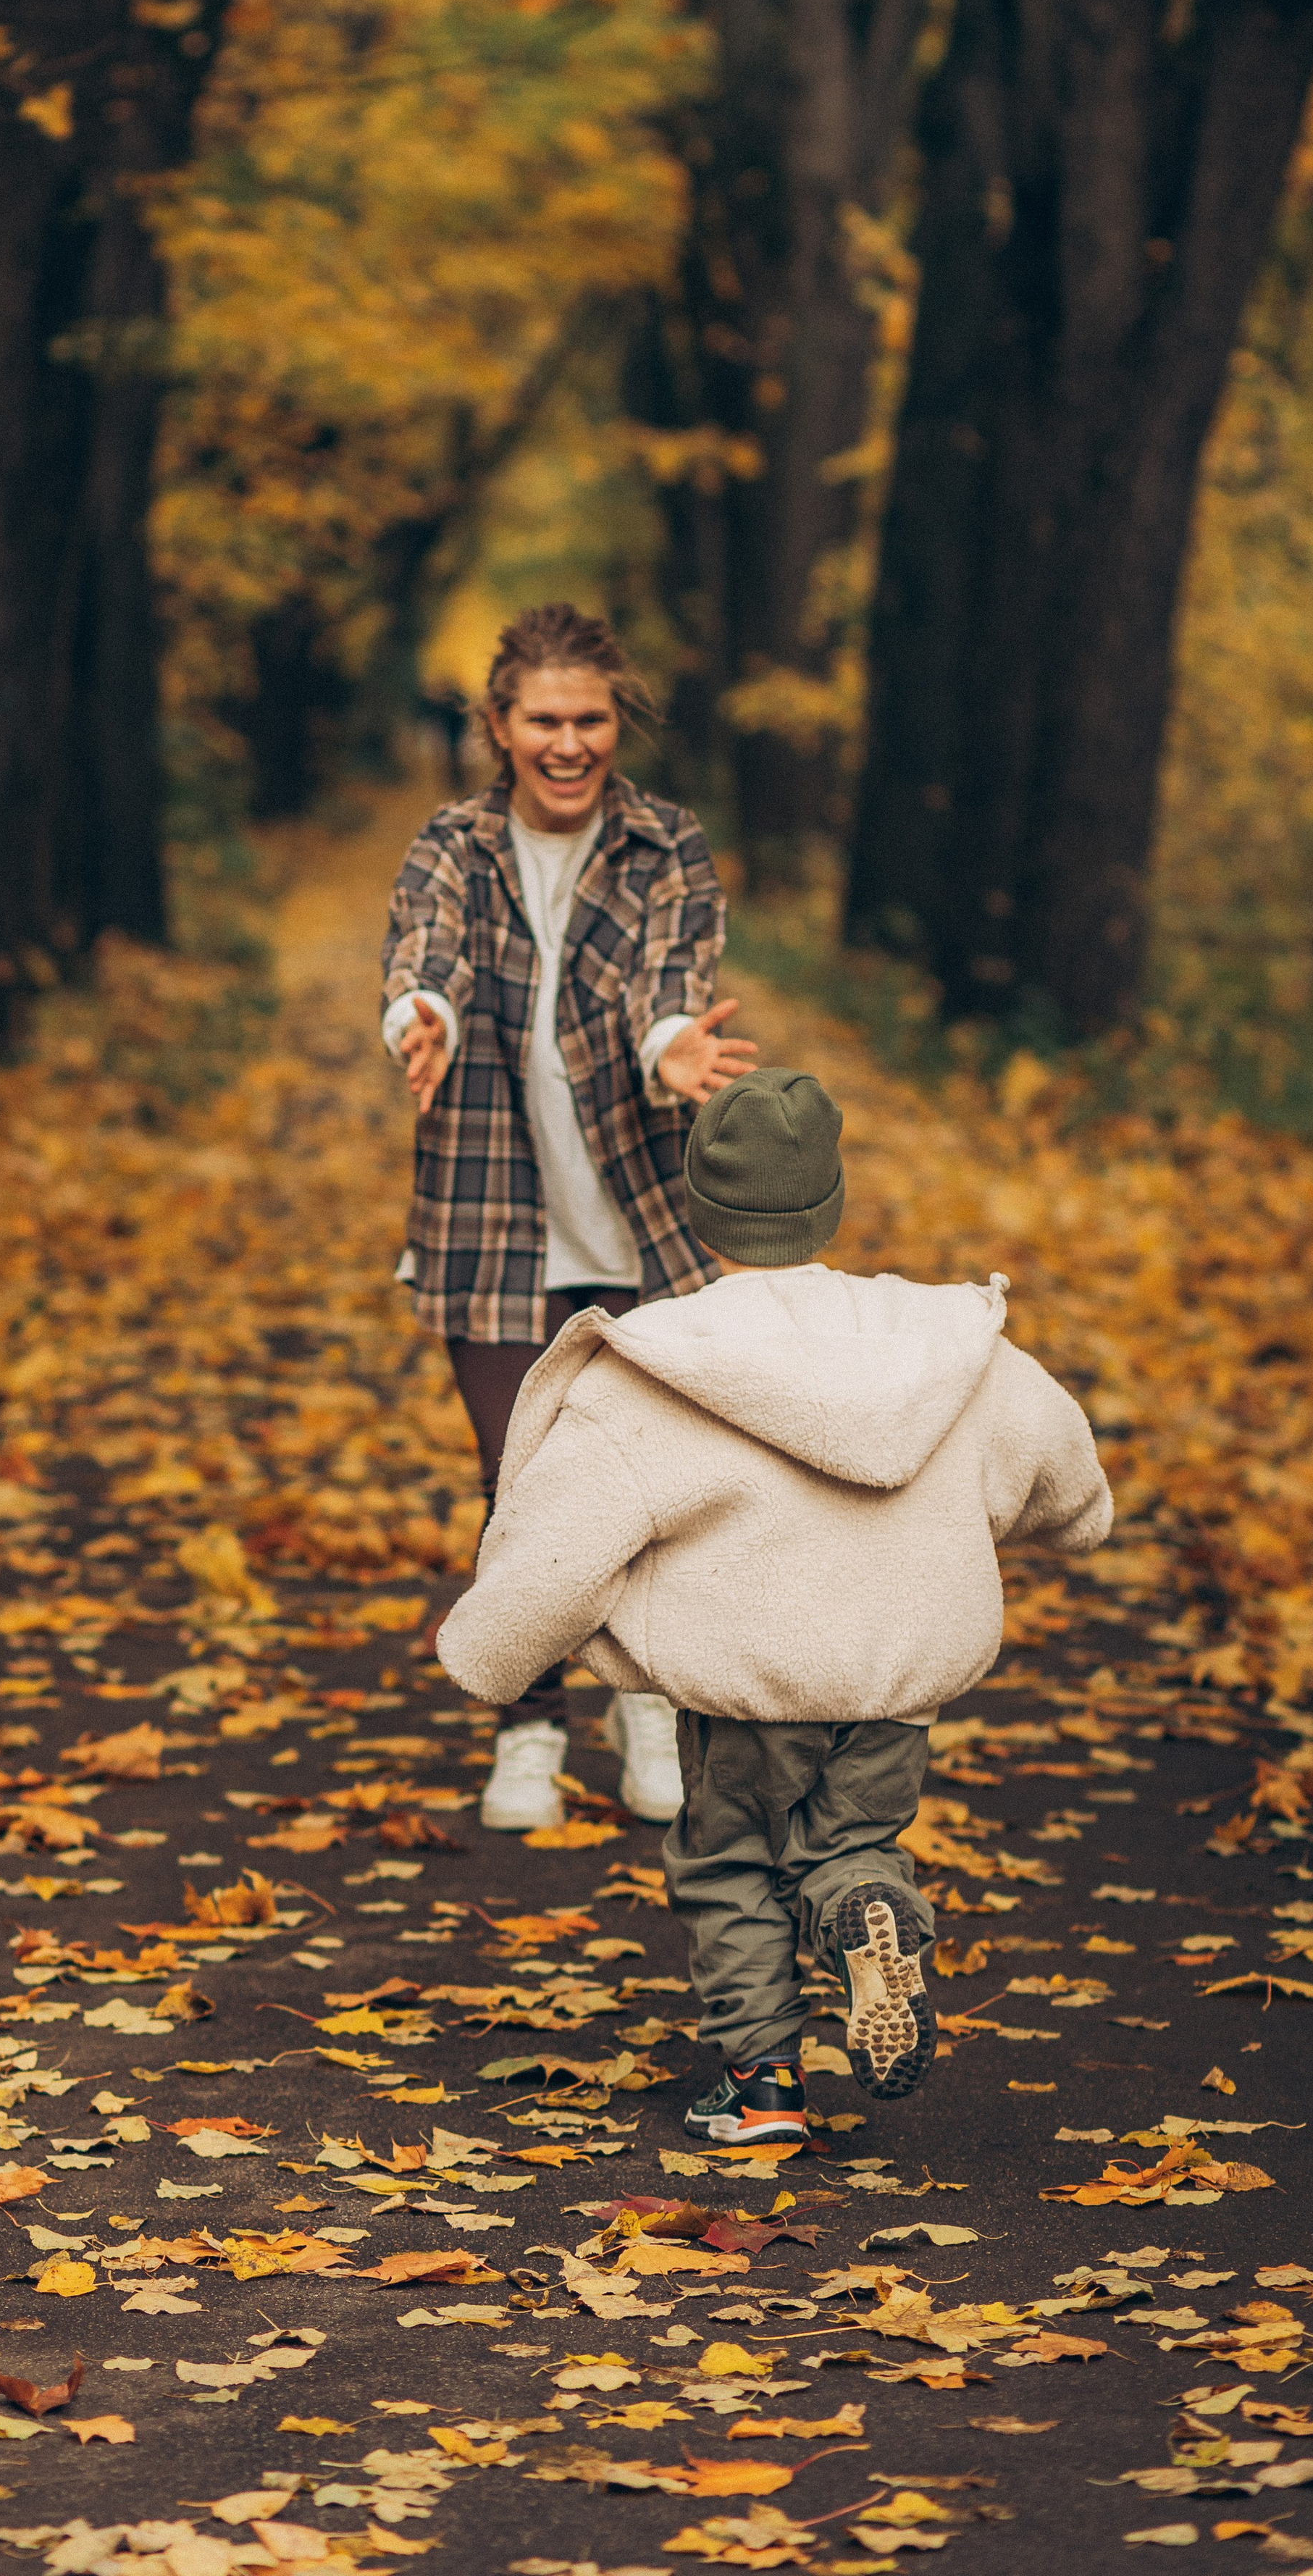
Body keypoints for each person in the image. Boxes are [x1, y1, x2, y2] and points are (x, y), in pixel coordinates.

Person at [434, 1067, 1114, 2132]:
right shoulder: (942, 1347)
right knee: (852, 1843)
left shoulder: (663, 1365)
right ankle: (863, 1911)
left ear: (698, 1211)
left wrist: (489, 1654)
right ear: (831, 1201)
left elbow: (556, 1552)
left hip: (746, 1693)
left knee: (730, 1865)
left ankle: (760, 2088)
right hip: (896, 1684)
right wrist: (1061, 1524)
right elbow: (1066, 1479)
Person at [382, 603, 757, 1833]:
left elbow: (665, 986)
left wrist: (669, 1050)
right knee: (523, 1488)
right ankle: (529, 1730)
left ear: (617, 724)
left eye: (589, 719)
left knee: (645, 1485)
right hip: (488, 1218)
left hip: (643, 1224)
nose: (567, 743)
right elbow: (422, 955)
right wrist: (416, 1019)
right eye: (542, 720)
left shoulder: (668, 849)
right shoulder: (452, 845)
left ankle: (646, 1707)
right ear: (499, 726)